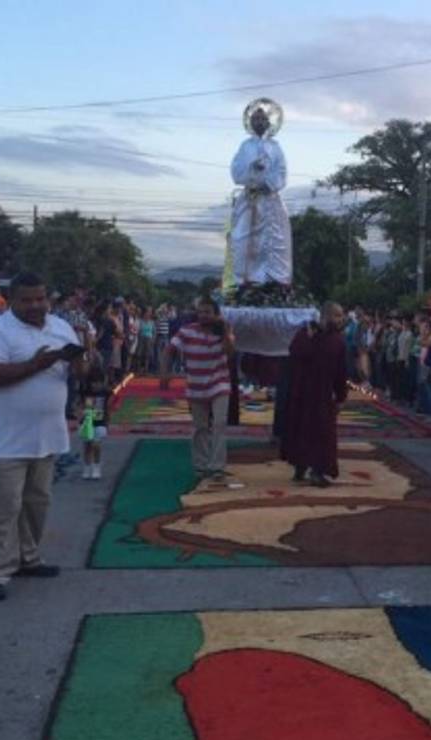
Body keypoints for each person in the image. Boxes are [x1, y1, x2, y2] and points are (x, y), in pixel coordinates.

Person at [0, 273, 82, 602]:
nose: (36, 306)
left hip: (46, 436)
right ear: (11, 300)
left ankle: (28, 558)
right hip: (3, 441)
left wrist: (80, 362)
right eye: (27, 300)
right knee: (2, 507)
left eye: (41, 298)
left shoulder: (61, 328)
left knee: (37, 503)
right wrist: (38, 363)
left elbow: (79, 374)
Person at [161, 297, 235, 480]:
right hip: (196, 385)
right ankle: (201, 466)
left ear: (216, 314)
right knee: (200, 427)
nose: (203, 316)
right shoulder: (187, 331)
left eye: (207, 312)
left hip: (220, 383)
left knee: (219, 423)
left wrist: (225, 332)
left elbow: (230, 352)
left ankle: (217, 466)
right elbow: (168, 350)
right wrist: (165, 373)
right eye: (200, 312)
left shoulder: (224, 330)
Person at [281, 303, 348, 486]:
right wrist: (309, 339)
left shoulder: (338, 340)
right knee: (300, 428)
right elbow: (294, 353)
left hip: (324, 394)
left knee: (322, 433)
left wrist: (341, 395)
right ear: (324, 316)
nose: (340, 319)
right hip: (302, 392)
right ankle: (300, 466)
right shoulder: (306, 333)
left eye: (341, 316)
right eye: (336, 315)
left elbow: (341, 371)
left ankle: (318, 471)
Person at [229, 101, 292, 284]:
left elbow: (282, 172)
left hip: (271, 200)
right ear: (250, 122)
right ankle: (245, 281)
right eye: (255, 118)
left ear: (269, 122)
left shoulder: (276, 147)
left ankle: (275, 284)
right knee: (242, 240)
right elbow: (236, 171)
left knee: (275, 242)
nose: (259, 121)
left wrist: (269, 184)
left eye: (262, 118)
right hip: (249, 200)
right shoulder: (245, 146)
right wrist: (251, 168)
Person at [78, 330, 111, 481]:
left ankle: (97, 466)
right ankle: (87, 466)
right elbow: (80, 406)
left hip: (100, 421)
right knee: (87, 445)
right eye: (94, 383)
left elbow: (108, 407)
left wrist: (108, 421)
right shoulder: (85, 392)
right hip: (87, 421)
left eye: (99, 383)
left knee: (96, 444)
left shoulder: (105, 393)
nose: (97, 386)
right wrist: (80, 415)